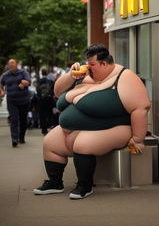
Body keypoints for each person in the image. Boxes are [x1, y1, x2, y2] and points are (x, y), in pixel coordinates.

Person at [33, 43, 151, 199]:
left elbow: (140, 108)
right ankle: (55, 182)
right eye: (87, 64)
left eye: (92, 64)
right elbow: (57, 91)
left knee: (83, 144)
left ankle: (84, 185)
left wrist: (137, 139)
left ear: (104, 63)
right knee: (50, 142)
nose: (89, 68)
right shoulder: (86, 76)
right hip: (76, 129)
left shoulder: (125, 77)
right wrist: (71, 75)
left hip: (116, 127)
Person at [0, 59, 31, 147]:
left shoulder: (23, 72)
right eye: (10, 64)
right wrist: (1, 92)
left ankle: (21, 137)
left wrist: (24, 83)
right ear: (8, 66)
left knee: (23, 119)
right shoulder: (5, 75)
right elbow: (1, 85)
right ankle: (14, 139)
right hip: (11, 101)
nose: (11, 65)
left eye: (13, 63)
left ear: (16, 64)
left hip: (24, 100)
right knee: (13, 119)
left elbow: (28, 81)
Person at [36, 68, 55, 135]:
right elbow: (53, 90)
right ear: (47, 73)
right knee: (49, 113)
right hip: (49, 99)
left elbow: (37, 90)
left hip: (41, 100)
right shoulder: (50, 81)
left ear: (41, 73)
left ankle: (44, 129)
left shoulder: (39, 81)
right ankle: (50, 125)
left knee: (42, 115)